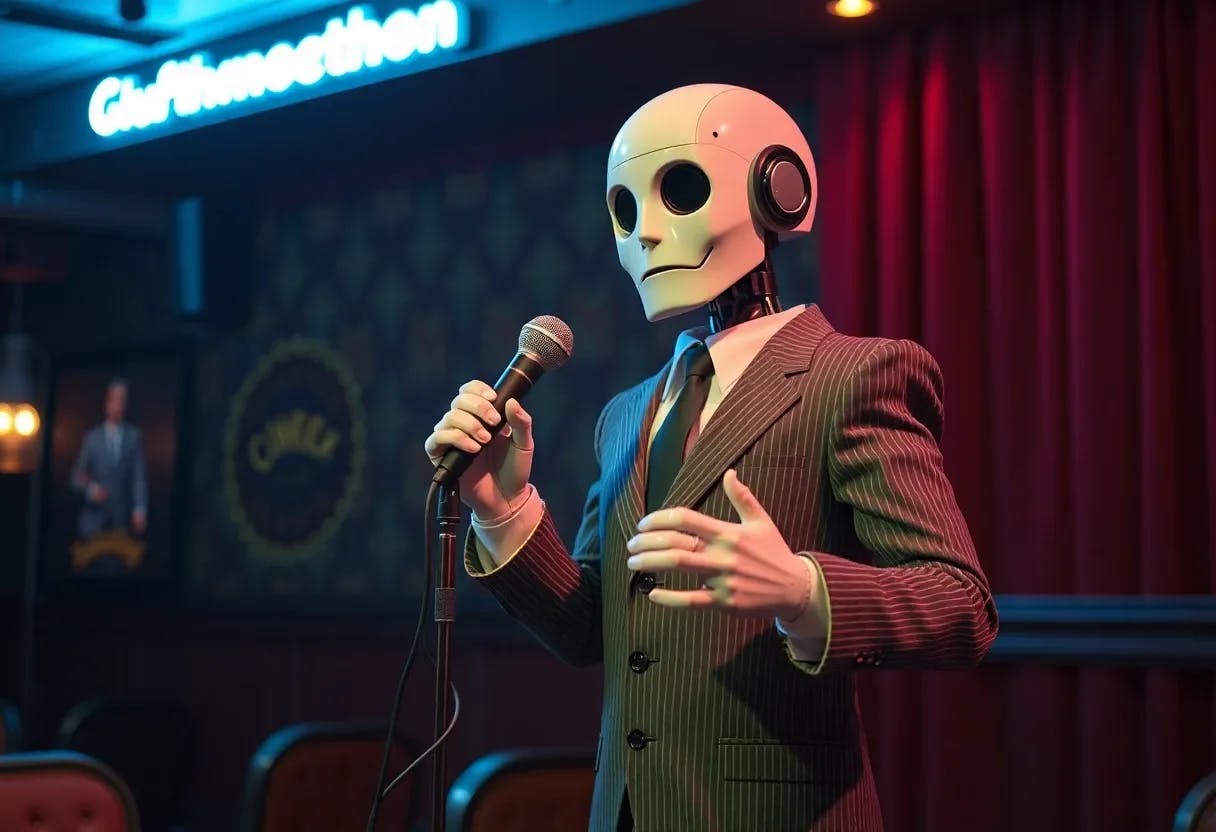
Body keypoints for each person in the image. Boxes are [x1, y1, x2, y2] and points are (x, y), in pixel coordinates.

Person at [425, 84, 998, 831]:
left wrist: (802, 589)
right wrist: (503, 514)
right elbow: (589, 628)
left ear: (778, 189)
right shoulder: (627, 413)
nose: (646, 233)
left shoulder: (854, 376)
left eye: (680, 191)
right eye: (624, 208)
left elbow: (961, 606)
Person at [71, 377, 148, 541]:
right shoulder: (92, 438)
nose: (118, 405)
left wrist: (139, 509)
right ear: (106, 403)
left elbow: (138, 478)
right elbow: (76, 477)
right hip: (94, 519)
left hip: (121, 520)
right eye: (114, 400)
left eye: (122, 401)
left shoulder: (133, 437)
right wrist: (92, 490)